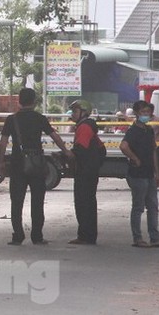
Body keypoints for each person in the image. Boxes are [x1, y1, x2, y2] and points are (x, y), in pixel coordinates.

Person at [0, 88, 73, 245]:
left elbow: (3, 141)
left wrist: (1, 162)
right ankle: (37, 236)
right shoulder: (40, 118)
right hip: (37, 164)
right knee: (37, 201)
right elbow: (54, 136)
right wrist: (65, 150)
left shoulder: (12, 119)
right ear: (34, 101)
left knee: (16, 201)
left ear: (19, 100)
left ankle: (18, 236)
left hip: (18, 164)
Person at [119, 100, 159, 248]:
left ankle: (154, 238)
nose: (146, 115)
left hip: (149, 174)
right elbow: (123, 146)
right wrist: (135, 159)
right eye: (143, 112)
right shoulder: (133, 131)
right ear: (137, 114)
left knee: (153, 206)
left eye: (148, 112)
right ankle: (137, 238)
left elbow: (153, 152)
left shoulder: (149, 130)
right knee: (138, 207)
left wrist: (157, 173)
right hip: (137, 174)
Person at [68, 99, 105, 245]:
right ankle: (89, 235)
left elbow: (80, 149)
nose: (73, 114)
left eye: (75, 111)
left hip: (85, 172)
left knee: (83, 203)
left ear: (83, 112)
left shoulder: (84, 127)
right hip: (90, 170)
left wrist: (68, 154)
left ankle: (85, 236)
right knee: (89, 202)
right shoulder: (87, 126)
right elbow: (101, 149)